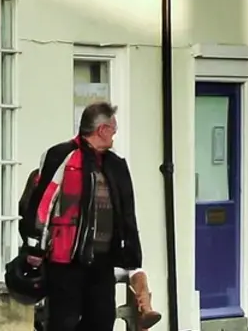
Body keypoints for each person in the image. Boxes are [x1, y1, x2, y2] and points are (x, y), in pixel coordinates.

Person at [20, 102, 160, 331]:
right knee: (64, 322)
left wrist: (132, 254)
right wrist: (34, 247)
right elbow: (41, 203)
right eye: (113, 128)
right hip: (64, 259)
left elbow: (126, 214)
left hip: (102, 261)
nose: (115, 132)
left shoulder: (115, 164)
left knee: (102, 320)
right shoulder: (61, 156)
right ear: (102, 129)